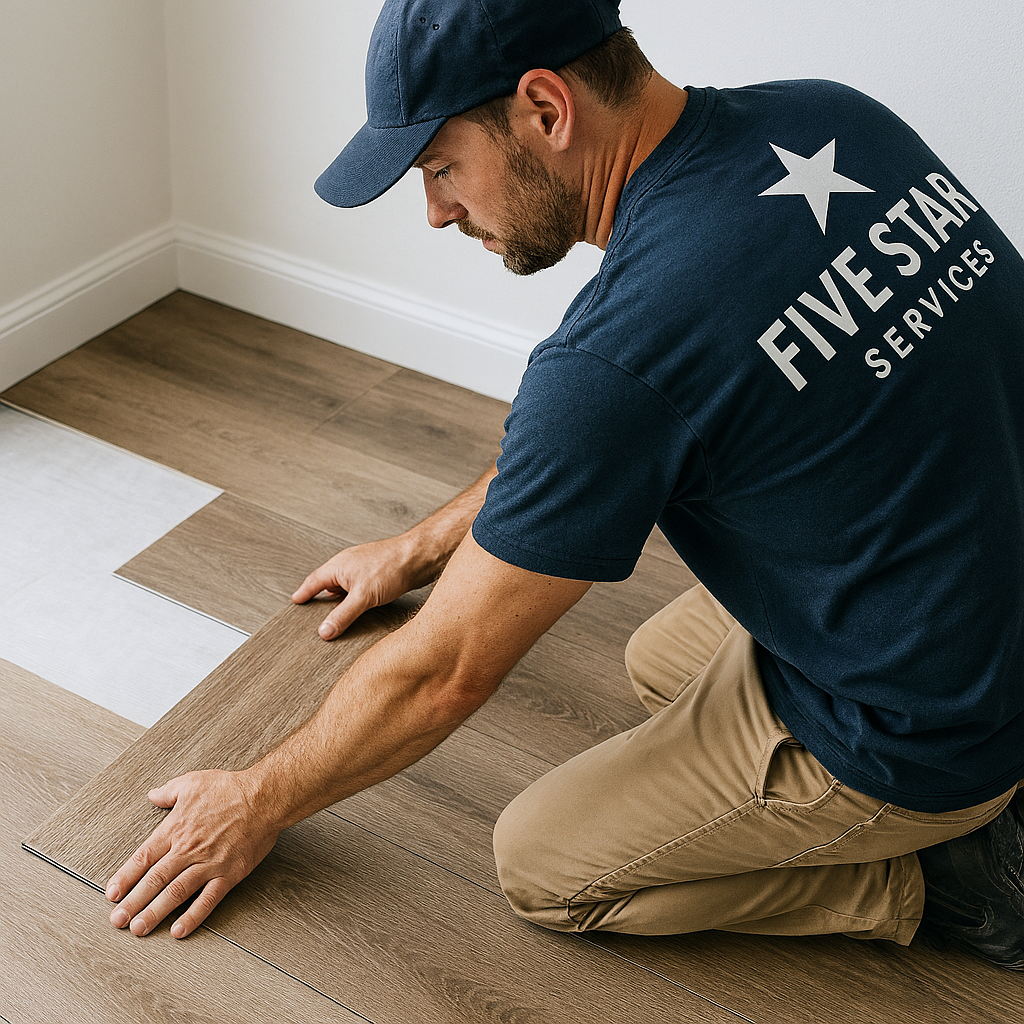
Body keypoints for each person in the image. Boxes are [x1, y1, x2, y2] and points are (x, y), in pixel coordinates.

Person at [105, 0, 1024, 969]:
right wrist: (417, 548)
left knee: (542, 860)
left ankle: (951, 876)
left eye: (441, 167)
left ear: (545, 108)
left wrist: (255, 799)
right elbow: (599, 440)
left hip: (938, 730)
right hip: (976, 583)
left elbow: (443, 672)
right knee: (657, 659)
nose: (436, 211)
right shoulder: (831, 116)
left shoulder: (622, 349)